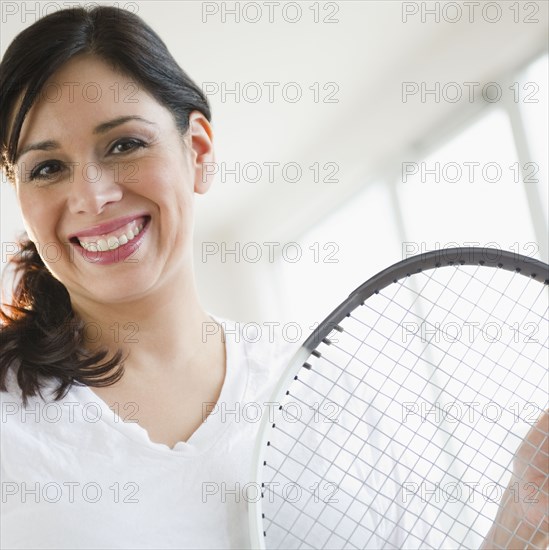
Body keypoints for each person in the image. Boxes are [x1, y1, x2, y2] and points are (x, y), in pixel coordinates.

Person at [0, 6, 546, 550]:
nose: (93, 197)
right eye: (46, 168)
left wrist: (523, 518)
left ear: (198, 151)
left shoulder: (321, 389)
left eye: (124, 145)